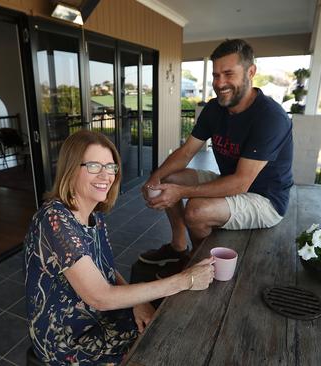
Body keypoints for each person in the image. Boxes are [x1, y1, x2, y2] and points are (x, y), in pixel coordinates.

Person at [24, 130, 215, 365]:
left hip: (99, 317)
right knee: (159, 348)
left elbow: (106, 270)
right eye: (94, 166)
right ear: (71, 168)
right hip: (67, 340)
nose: (106, 175)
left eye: (111, 167)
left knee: (170, 327)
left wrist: (137, 302)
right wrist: (186, 280)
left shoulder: (94, 215)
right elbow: (100, 297)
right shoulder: (54, 220)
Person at [138, 39, 294, 276]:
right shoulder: (214, 109)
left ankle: (200, 264)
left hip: (265, 199)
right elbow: (187, 151)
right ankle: (179, 248)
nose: (220, 83)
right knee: (170, 178)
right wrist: (155, 179)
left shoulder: (270, 117)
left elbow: (241, 183)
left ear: (251, 72)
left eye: (228, 74)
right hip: (231, 181)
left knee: (196, 210)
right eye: (216, 75)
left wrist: (179, 193)